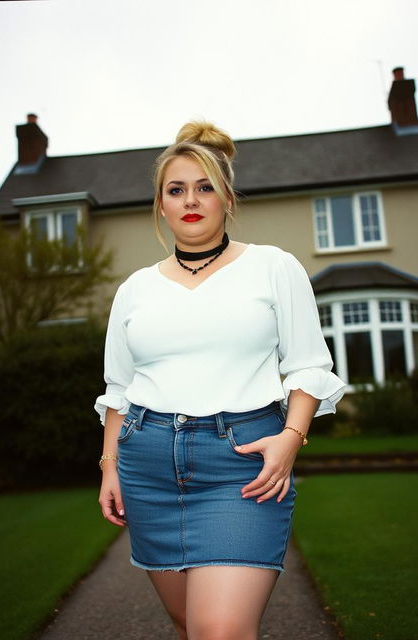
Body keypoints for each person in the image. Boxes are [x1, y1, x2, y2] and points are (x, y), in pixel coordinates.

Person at [95, 121, 346, 640]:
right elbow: (119, 390)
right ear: (160, 205)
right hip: (148, 468)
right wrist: (109, 467)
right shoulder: (134, 290)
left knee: (221, 629)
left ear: (228, 197)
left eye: (205, 186)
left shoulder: (274, 267)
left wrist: (290, 439)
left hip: (241, 465)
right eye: (176, 189)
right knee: (191, 623)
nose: (191, 199)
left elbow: (307, 366)